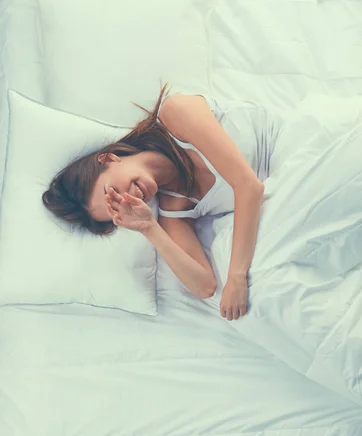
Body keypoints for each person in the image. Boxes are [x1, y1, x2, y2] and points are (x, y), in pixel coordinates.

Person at [42, 84, 282, 321]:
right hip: (283, 191)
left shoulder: (175, 113)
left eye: (114, 191)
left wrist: (237, 276)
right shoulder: (175, 208)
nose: (129, 199)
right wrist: (149, 228)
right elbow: (204, 286)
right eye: (118, 207)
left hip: (296, 148)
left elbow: (249, 187)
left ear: (109, 159)